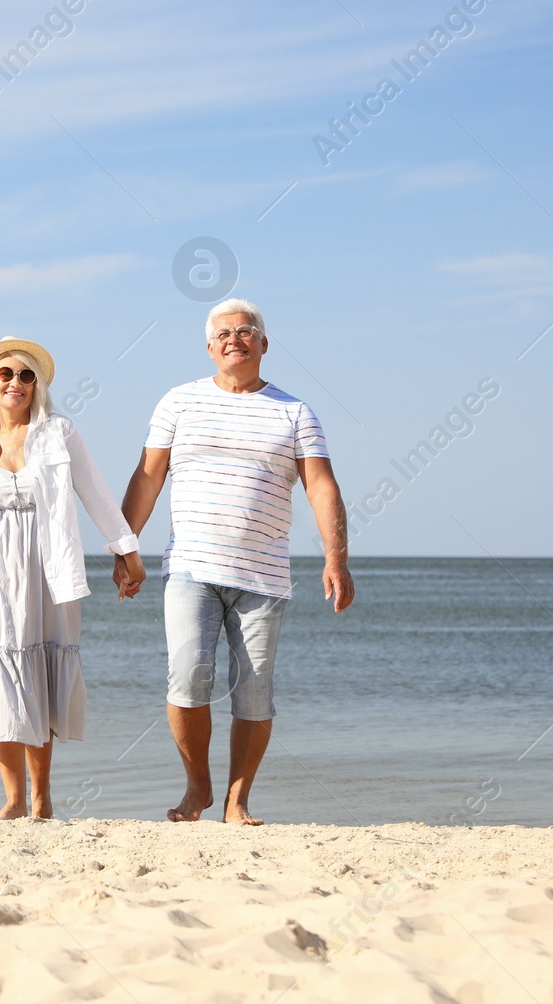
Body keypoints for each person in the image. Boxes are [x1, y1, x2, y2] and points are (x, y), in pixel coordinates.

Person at [117, 299, 354, 826]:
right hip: (192, 568)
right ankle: (196, 784)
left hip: (264, 574)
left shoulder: (295, 411)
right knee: (186, 678)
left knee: (254, 688)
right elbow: (148, 476)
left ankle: (237, 800)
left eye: (246, 331)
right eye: (223, 333)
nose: (234, 339)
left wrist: (335, 557)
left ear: (263, 345)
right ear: (209, 347)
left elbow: (321, 485)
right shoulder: (178, 403)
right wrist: (125, 546)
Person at [0, 336, 145, 820]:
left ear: (38, 384)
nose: (16, 383)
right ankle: (11, 798)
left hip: (46, 567)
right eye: (5, 374)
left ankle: (41, 797)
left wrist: (127, 550)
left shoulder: (60, 432)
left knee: (39, 677)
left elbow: (95, 491)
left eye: (26, 375)